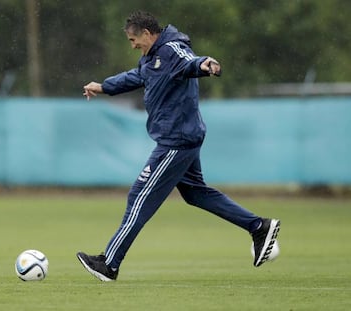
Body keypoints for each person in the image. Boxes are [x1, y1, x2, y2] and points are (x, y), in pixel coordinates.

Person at [77, 11, 280, 282]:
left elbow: (190, 62)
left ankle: (109, 263)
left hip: (176, 141)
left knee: (139, 196)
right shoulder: (151, 58)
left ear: (148, 34)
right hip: (183, 137)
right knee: (196, 194)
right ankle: (259, 227)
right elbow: (135, 77)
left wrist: (206, 64)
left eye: (134, 39)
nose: (132, 45)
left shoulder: (172, 50)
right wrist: (104, 87)